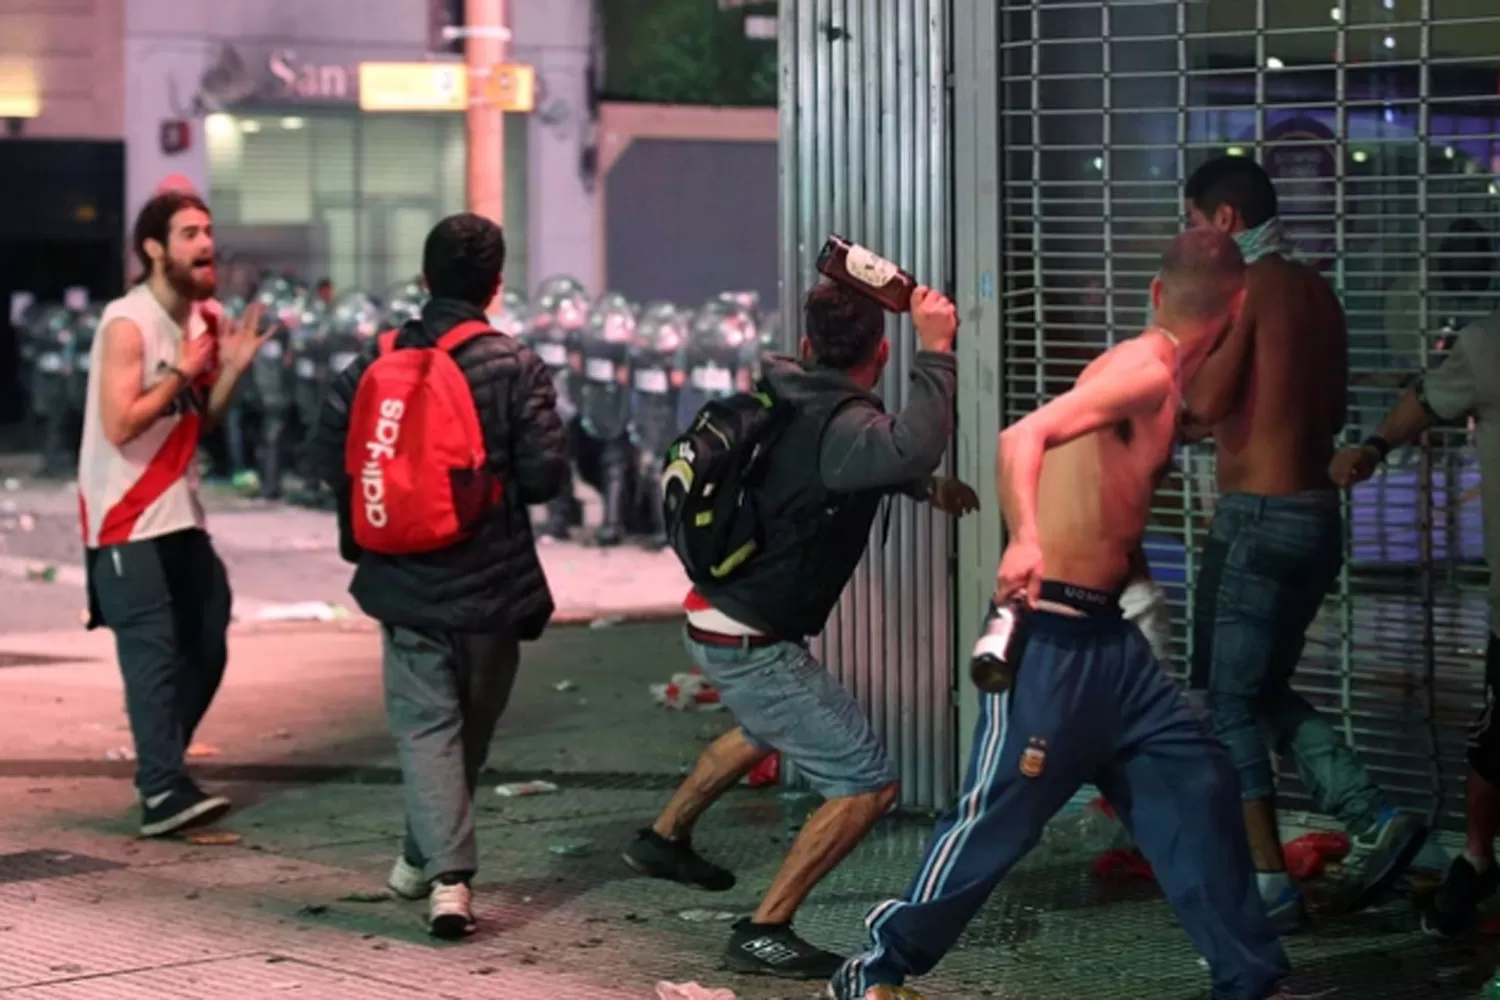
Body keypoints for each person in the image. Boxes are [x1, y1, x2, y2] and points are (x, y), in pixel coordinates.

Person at [833, 229, 1294, 1000]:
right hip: (1047, 636)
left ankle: (1250, 980)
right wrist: (1028, 542)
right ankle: (873, 972)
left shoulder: (1160, 378)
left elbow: (1109, 500)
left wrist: (1136, 594)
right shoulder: (1144, 370)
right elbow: (1024, 435)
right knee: (998, 819)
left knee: (1199, 785)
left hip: (1108, 642)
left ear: (1155, 292)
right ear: (1239, 308)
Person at [622, 280, 976, 979]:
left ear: (809, 347)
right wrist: (937, 350)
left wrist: (917, 488)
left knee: (765, 728)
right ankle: (765, 927)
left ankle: (663, 839)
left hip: (717, 610)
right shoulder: (844, 424)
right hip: (751, 637)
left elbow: (840, 466)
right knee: (865, 782)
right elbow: (906, 447)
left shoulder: (789, 393)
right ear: (880, 353)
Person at [1180, 156, 1427, 931]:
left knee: (1227, 702)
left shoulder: (1250, 290)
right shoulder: (1321, 291)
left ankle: (1267, 887)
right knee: (1262, 689)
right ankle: (1377, 816)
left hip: (1258, 517)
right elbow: (1301, 398)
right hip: (1318, 515)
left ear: (1223, 220)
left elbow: (1210, 401)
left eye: (1193, 224)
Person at [310, 213, 567, 940]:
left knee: (431, 734)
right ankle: (451, 883)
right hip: (490, 584)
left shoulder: (373, 358)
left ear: (424, 281)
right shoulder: (516, 364)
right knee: (463, 733)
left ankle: (420, 856)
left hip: (403, 577)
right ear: (496, 284)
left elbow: (328, 457)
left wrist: (377, 517)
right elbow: (547, 477)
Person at [78, 190, 271, 837]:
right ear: (155, 249)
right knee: (154, 653)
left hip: (181, 511)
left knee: (208, 638)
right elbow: (119, 422)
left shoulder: (206, 322)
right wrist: (181, 374)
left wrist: (230, 370)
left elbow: (200, 421)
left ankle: (164, 767)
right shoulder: (127, 323)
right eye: (189, 233)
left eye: (208, 230)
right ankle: (162, 788)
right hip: (125, 518)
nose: (205, 244)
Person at [1329, 314, 1500, 937]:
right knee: (1492, 740)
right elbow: (1426, 402)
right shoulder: (1487, 345)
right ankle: (1478, 860)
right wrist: (1373, 449)